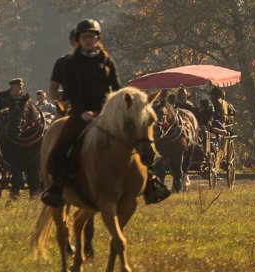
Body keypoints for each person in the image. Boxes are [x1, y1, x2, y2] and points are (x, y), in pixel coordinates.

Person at [38, 20, 168, 207]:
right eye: (84, 37)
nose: (88, 40)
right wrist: (82, 112)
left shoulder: (106, 61)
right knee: (61, 145)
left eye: (91, 36)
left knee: (136, 137)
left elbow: (116, 88)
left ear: (97, 38)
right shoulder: (70, 63)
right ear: (79, 39)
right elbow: (71, 91)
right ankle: (57, 187)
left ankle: (150, 182)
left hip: (106, 112)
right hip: (80, 113)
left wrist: (123, 106)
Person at [47, 29, 80, 116]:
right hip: (69, 108)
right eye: (78, 40)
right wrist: (60, 106)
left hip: (97, 108)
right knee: (56, 124)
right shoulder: (62, 62)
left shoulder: (100, 60)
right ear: (72, 42)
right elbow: (53, 88)